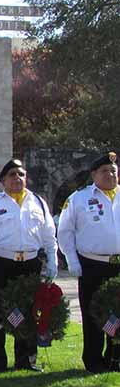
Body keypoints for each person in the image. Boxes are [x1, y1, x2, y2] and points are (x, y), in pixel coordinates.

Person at [0, 158, 57, 373]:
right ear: (3, 180)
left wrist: (52, 259)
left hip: (29, 264)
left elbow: (49, 235)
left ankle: (26, 360)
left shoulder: (37, 202)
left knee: (29, 312)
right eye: (12, 175)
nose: (17, 178)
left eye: (21, 174)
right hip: (0, 263)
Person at [58, 151, 120, 373]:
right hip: (93, 265)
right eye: (105, 171)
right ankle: (94, 361)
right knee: (94, 314)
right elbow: (65, 232)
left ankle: (116, 358)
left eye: (113, 170)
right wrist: (72, 260)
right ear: (94, 174)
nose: (110, 174)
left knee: (118, 313)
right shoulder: (79, 198)